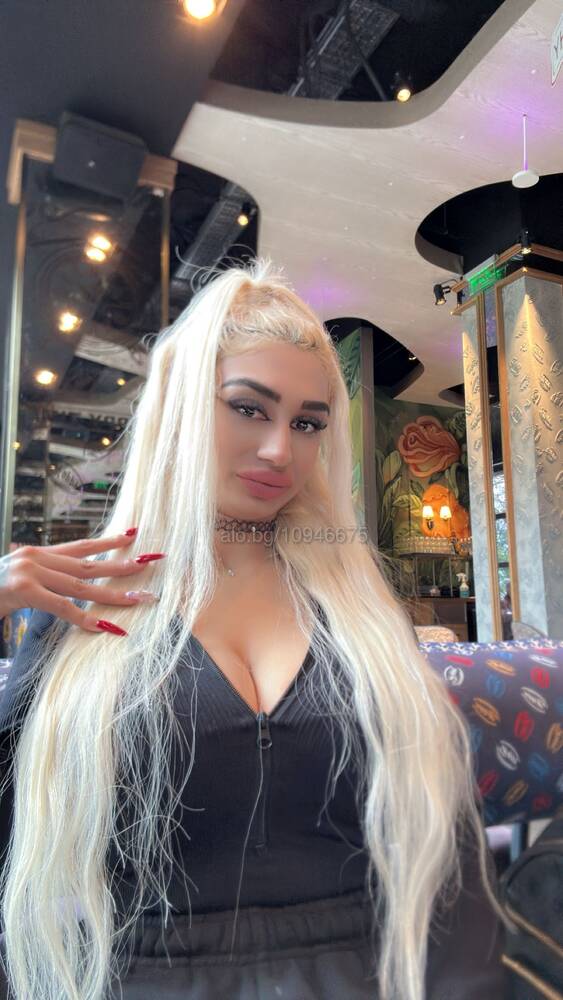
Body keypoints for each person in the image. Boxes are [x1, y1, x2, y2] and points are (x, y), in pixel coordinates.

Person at [0, 259, 512, 999]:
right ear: (182, 406)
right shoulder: (82, 608)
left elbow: (447, 845)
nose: (280, 450)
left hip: (375, 972)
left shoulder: (363, 613)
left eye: (307, 423)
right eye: (248, 408)